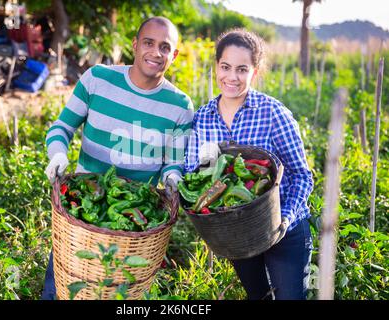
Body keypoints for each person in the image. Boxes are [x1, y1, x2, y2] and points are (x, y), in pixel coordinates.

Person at [42, 16, 194, 300]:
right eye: (148, 43)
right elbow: (61, 128)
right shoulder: (97, 78)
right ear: (135, 45)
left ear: (173, 55)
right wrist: (58, 154)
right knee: (63, 286)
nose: (155, 52)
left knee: (121, 295)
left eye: (165, 47)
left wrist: (174, 178)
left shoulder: (180, 106)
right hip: (82, 211)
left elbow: (173, 160)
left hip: (135, 223)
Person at [184, 28, 314, 300]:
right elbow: (195, 176)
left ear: (254, 72)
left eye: (242, 69)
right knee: (259, 297)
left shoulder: (273, 113)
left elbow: (302, 175)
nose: (232, 77)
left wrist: (285, 219)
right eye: (225, 67)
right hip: (237, 234)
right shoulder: (202, 119)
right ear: (216, 66)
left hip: (285, 230)